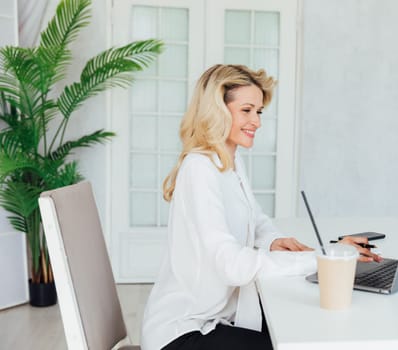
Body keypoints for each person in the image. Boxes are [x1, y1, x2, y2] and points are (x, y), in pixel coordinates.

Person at [141, 64, 381, 350]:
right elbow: (232, 265)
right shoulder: (199, 168)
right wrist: (325, 257)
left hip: (220, 316)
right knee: (289, 342)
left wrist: (275, 240)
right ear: (217, 109)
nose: (257, 121)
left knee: (302, 329)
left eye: (259, 111)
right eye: (247, 110)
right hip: (184, 330)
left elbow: (256, 221)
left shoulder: (229, 160)